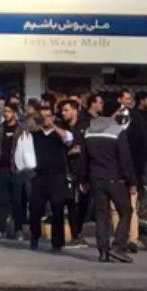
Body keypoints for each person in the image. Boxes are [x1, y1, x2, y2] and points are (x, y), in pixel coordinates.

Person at [80, 101, 138, 263]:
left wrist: (83, 179)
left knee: (101, 215)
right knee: (126, 210)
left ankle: (103, 251)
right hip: (114, 177)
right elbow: (125, 159)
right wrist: (132, 181)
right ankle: (118, 246)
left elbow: (83, 159)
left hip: (95, 177)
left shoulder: (89, 132)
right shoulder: (117, 131)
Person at [28, 102, 74, 252]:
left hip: (57, 177)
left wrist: (54, 126)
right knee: (35, 208)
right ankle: (34, 237)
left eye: (49, 116)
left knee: (58, 208)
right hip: (39, 176)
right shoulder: (35, 135)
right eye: (43, 117)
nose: (46, 119)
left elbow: (69, 139)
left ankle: (57, 243)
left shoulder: (60, 134)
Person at [0, 101, 28, 240]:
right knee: (3, 201)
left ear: (15, 113)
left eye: (8, 112)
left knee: (17, 201)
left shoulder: (21, 129)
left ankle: (18, 229)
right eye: (4, 112)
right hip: (2, 169)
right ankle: (1, 229)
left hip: (17, 170)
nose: (6, 114)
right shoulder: (0, 128)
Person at [60, 99, 89, 247]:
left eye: (66, 110)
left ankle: (79, 231)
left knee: (83, 203)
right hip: (67, 170)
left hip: (83, 170)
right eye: (62, 111)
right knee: (70, 201)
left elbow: (87, 145)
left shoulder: (85, 125)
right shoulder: (61, 127)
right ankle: (75, 234)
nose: (63, 113)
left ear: (75, 110)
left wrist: (80, 149)